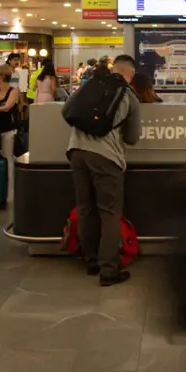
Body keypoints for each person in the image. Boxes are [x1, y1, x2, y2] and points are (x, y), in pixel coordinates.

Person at [63, 55, 142, 287]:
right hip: (106, 157)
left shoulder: (91, 84)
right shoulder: (128, 96)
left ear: (113, 68)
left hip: (76, 150)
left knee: (85, 207)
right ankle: (109, 270)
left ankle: (90, 261)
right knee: (109, 213)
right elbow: (132, 137)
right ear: (131, 74)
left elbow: (68, 109)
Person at [0, 64, 21, 200]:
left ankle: (9, 190)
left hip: (8, 129)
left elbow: (7, 107)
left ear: (2, 77)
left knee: (8, 158)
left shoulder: (13, 91)